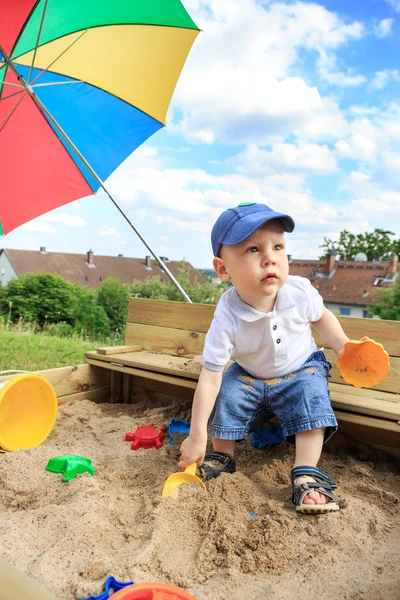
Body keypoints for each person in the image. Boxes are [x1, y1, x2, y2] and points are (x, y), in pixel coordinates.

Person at [179, 202, 351, 514]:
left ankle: (306, 472)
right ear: (222, 269)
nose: (270, 257)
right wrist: (196, 435)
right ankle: (221, 456)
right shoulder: (227, 315)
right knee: (228, 391)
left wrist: (344, 348)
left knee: (310, 392)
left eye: (278, 246)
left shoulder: (298, 291)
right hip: (250, 374)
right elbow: (210, 376)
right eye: (254, 250)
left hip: (301, 368)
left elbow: (322, 318)